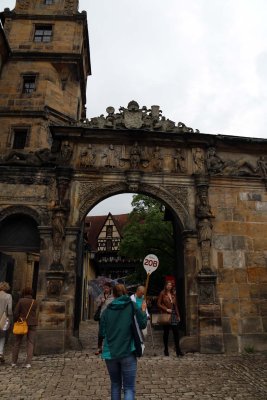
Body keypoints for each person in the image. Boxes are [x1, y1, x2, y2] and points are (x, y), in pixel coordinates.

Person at [100, 284, 147, 400]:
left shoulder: (106, 310)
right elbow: (143, 324)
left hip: (110, 352)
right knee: (129, 388)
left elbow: (102, 332)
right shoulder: (132, 305)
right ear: (126, 292)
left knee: (115, 385)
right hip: (128, 351)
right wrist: (143, 310)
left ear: (114, 294)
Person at [12, 287, 38, 368]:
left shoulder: (21, 301)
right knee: (30, 343)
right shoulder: (35, 302)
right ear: (31, 293)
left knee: (17, 342)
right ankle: (28, 363)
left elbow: (16, 312)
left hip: (21, 322)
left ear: (23, 293)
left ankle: (14, 362)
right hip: (32, 323)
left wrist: (16, 320)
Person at [157, 281, 183, 357]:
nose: (169, 286)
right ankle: (166, 349)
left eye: (170, 285)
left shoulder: (173, 294)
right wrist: (166, 309)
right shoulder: (162, 293)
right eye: (168, 285)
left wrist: (178, 315)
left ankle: (178, 351)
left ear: (172, 286)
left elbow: (176, 306)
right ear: (165, 286)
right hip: (166, 315)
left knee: (176, 333)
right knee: (166, 333)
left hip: (174, 315)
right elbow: (158, 304)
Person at [95, 282, 114, 356]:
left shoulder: (113, 296)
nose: (105, 289)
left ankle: (109, 347)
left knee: (109, 331)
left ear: (110, 288)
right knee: (101, 331)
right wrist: (101, 302)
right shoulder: (101, 295)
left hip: (110, 316)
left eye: (106, 287)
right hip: (102, 316)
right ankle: (99, 347)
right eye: (104, 287)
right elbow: (97, 303)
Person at [0, 282, 12, 363]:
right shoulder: (8, 296)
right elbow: (10, 309)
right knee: (2, 336)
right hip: (3, 318)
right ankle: (0, 353)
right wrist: (9, 317)